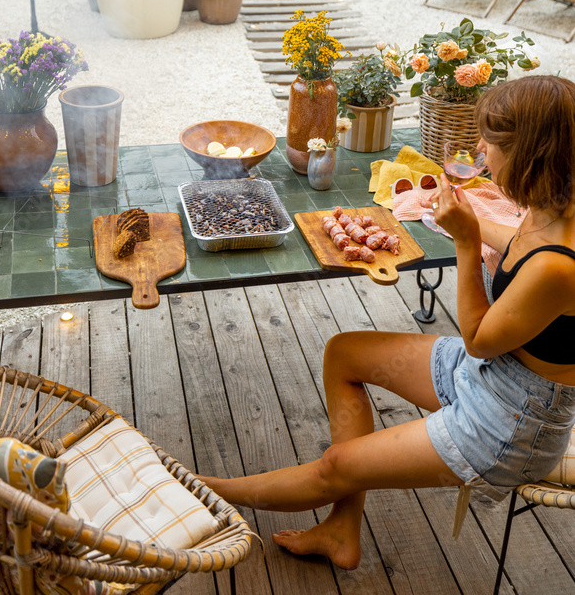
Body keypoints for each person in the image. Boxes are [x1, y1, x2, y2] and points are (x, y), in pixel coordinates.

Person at [202, 75, 575, 570]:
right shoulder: (553, 206)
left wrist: (465, 244)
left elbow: (480, 338)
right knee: (345, 353)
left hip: (511, 422)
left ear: (531, 153)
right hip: (490, 376)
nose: (482, 150)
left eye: (492, 142)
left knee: (333, 468)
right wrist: (451, 215)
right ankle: (341, 530)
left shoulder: (559, 267)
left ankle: (205, 490)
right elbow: (519, 243)